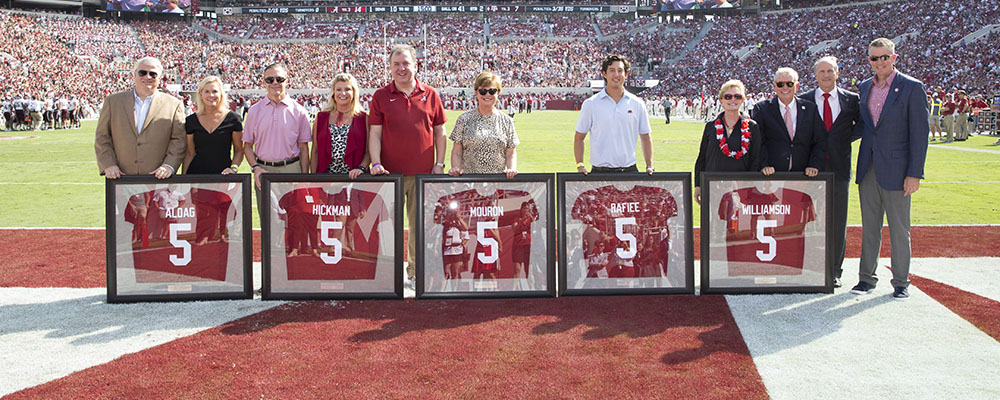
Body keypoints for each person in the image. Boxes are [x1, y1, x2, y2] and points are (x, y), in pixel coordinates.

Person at [850, 38, 929, 300]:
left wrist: (914, 172)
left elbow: (920, 133)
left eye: (885, 57)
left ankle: (900, 281)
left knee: (899, 227)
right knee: (870, 226)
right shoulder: (864, 87)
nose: (880, 62)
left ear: (894, 57)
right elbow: (864, 127)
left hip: (898, 169)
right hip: (869, 166)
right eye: (875, 58)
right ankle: (866, 278)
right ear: (869, 60)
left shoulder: (911, 87)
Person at [368, 44, 447, 281]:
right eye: (396, 64)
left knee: (418, 227)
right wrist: (375, 163)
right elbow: (375, 134)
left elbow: (440, 132)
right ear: (390, 67)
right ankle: (388, 274)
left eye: (406, 63)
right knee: (387, 226)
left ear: (415, 65)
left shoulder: (430, 94)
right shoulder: (381, 95)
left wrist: (439, 163)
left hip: (422, 174)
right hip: (389, 175)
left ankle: (414, 272)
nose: (401, 69)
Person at [798, 56, 862, 288]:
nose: (826, 75)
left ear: (838, 73)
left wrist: (843, 141)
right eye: (822, 71)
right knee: (805, 220)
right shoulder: (804, 99)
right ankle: (806, 266)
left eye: (830, 71)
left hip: (839, 168)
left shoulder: (851, 100)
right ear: (815, 75)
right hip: (809, 169)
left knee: (837, 221)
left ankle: (834, 270)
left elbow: (862, 125)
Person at [95, 56, 185, 180]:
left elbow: (179, 140)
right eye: (142, 73)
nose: (147, 77)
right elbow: (102, 136)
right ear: (134, 74)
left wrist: (169, 165)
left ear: (160, 77)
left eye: (153, 74)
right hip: (120, 178)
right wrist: (109, 164)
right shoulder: (112, 102)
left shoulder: (174, 104)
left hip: (159, 178)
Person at [242, 63, 312, 218]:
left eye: (279, 79)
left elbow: (304, 148)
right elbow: (247, 146)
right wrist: (255, 168)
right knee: (268, 221)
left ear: (287, 81)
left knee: (294, 220)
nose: (275, 83)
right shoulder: (254, 111)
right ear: (264, 82)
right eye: (270, 79)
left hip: (292, 169)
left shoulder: (299, 111)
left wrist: (303, 177)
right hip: (264, 170)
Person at [574, 54, 654, 175]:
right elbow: (579, 137)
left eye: (620, 71)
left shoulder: (637, 103)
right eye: (612, 70)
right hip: (599, 173)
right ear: (604, 74)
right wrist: (580, 165)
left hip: (630, 172)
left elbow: (646, 137)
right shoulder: (591, 104)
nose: (616, 75)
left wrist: (649, 165)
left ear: (626, 75)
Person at [693, 79, 762, 204]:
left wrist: (750, 186)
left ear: (743, 100)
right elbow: (702, 157)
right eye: (728, 96)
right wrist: (698, 184)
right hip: (713, 186)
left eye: (738, 96)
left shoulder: (752, 127)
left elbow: (755, 159)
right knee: (713, 222)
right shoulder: (710, 126)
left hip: (740, 188)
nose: (733, 100)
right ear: (721, 100)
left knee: (739, 223)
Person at [751, 67, 826, 178]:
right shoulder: (762, 109)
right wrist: (764, 165)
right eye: (780, 84)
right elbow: (757, 141)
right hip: (771, 175)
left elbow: (820, 140)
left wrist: (814, 165)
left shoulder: (810, 109)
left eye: (789, 84)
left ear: (797, 86)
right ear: (775, 87)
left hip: (804, 175)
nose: (785, 88)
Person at [448, 71, 519, 179]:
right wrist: (456, 168)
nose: (487, 95)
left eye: (492, 91)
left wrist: (511, 169)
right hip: (469, 182)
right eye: (483, 91)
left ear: (498, 93)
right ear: (476, 92)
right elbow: (457, 151)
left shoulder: (507, 121)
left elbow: (511, 153)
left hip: (497, 182)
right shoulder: (463, 119)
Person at [311, 72, 369, 178]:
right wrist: (314, 179)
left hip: (355, 179)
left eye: (347, 89)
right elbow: (314, 151)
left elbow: (368, 150)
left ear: (354, 92)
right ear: (333, 93)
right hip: (325, 178)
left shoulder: (363, 118)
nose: (343, 93)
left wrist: (362, 167)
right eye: (338, 89)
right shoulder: (321, 117)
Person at [183, 75, 244, 175]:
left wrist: (233, 168)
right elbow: (190, 153)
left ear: (221, 94)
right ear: (200, 95)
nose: (211, 95)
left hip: (223, 177)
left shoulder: (233, 119)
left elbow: (239, 150)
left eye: (215, 91)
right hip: (195, 178)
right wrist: (183, 180)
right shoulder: (191, 120)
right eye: (206, 91)